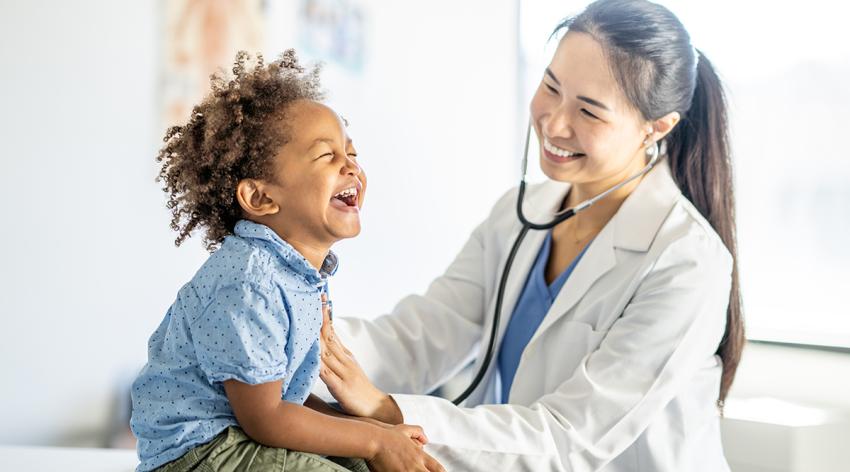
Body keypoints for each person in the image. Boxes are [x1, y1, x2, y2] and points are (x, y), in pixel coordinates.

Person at [316, 1, 744, 470]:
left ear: (655, 128)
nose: (554, 122)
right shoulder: (520, 215)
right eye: (550, 87)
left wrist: (385, 411)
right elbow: (420, 336)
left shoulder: (686, 262)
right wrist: (298, 336)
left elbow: (570, 437)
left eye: (589, 111)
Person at [130, 50, 444, 472]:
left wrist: (378, 435)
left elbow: (280, 399)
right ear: (261, 197)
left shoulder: (298, 272)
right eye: (326, 156)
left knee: (367, 460)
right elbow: (266, 418)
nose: (351, 166)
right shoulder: (249, 281)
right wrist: (373, 438)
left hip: (243, 433)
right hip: (200, 452)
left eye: (351, 153)